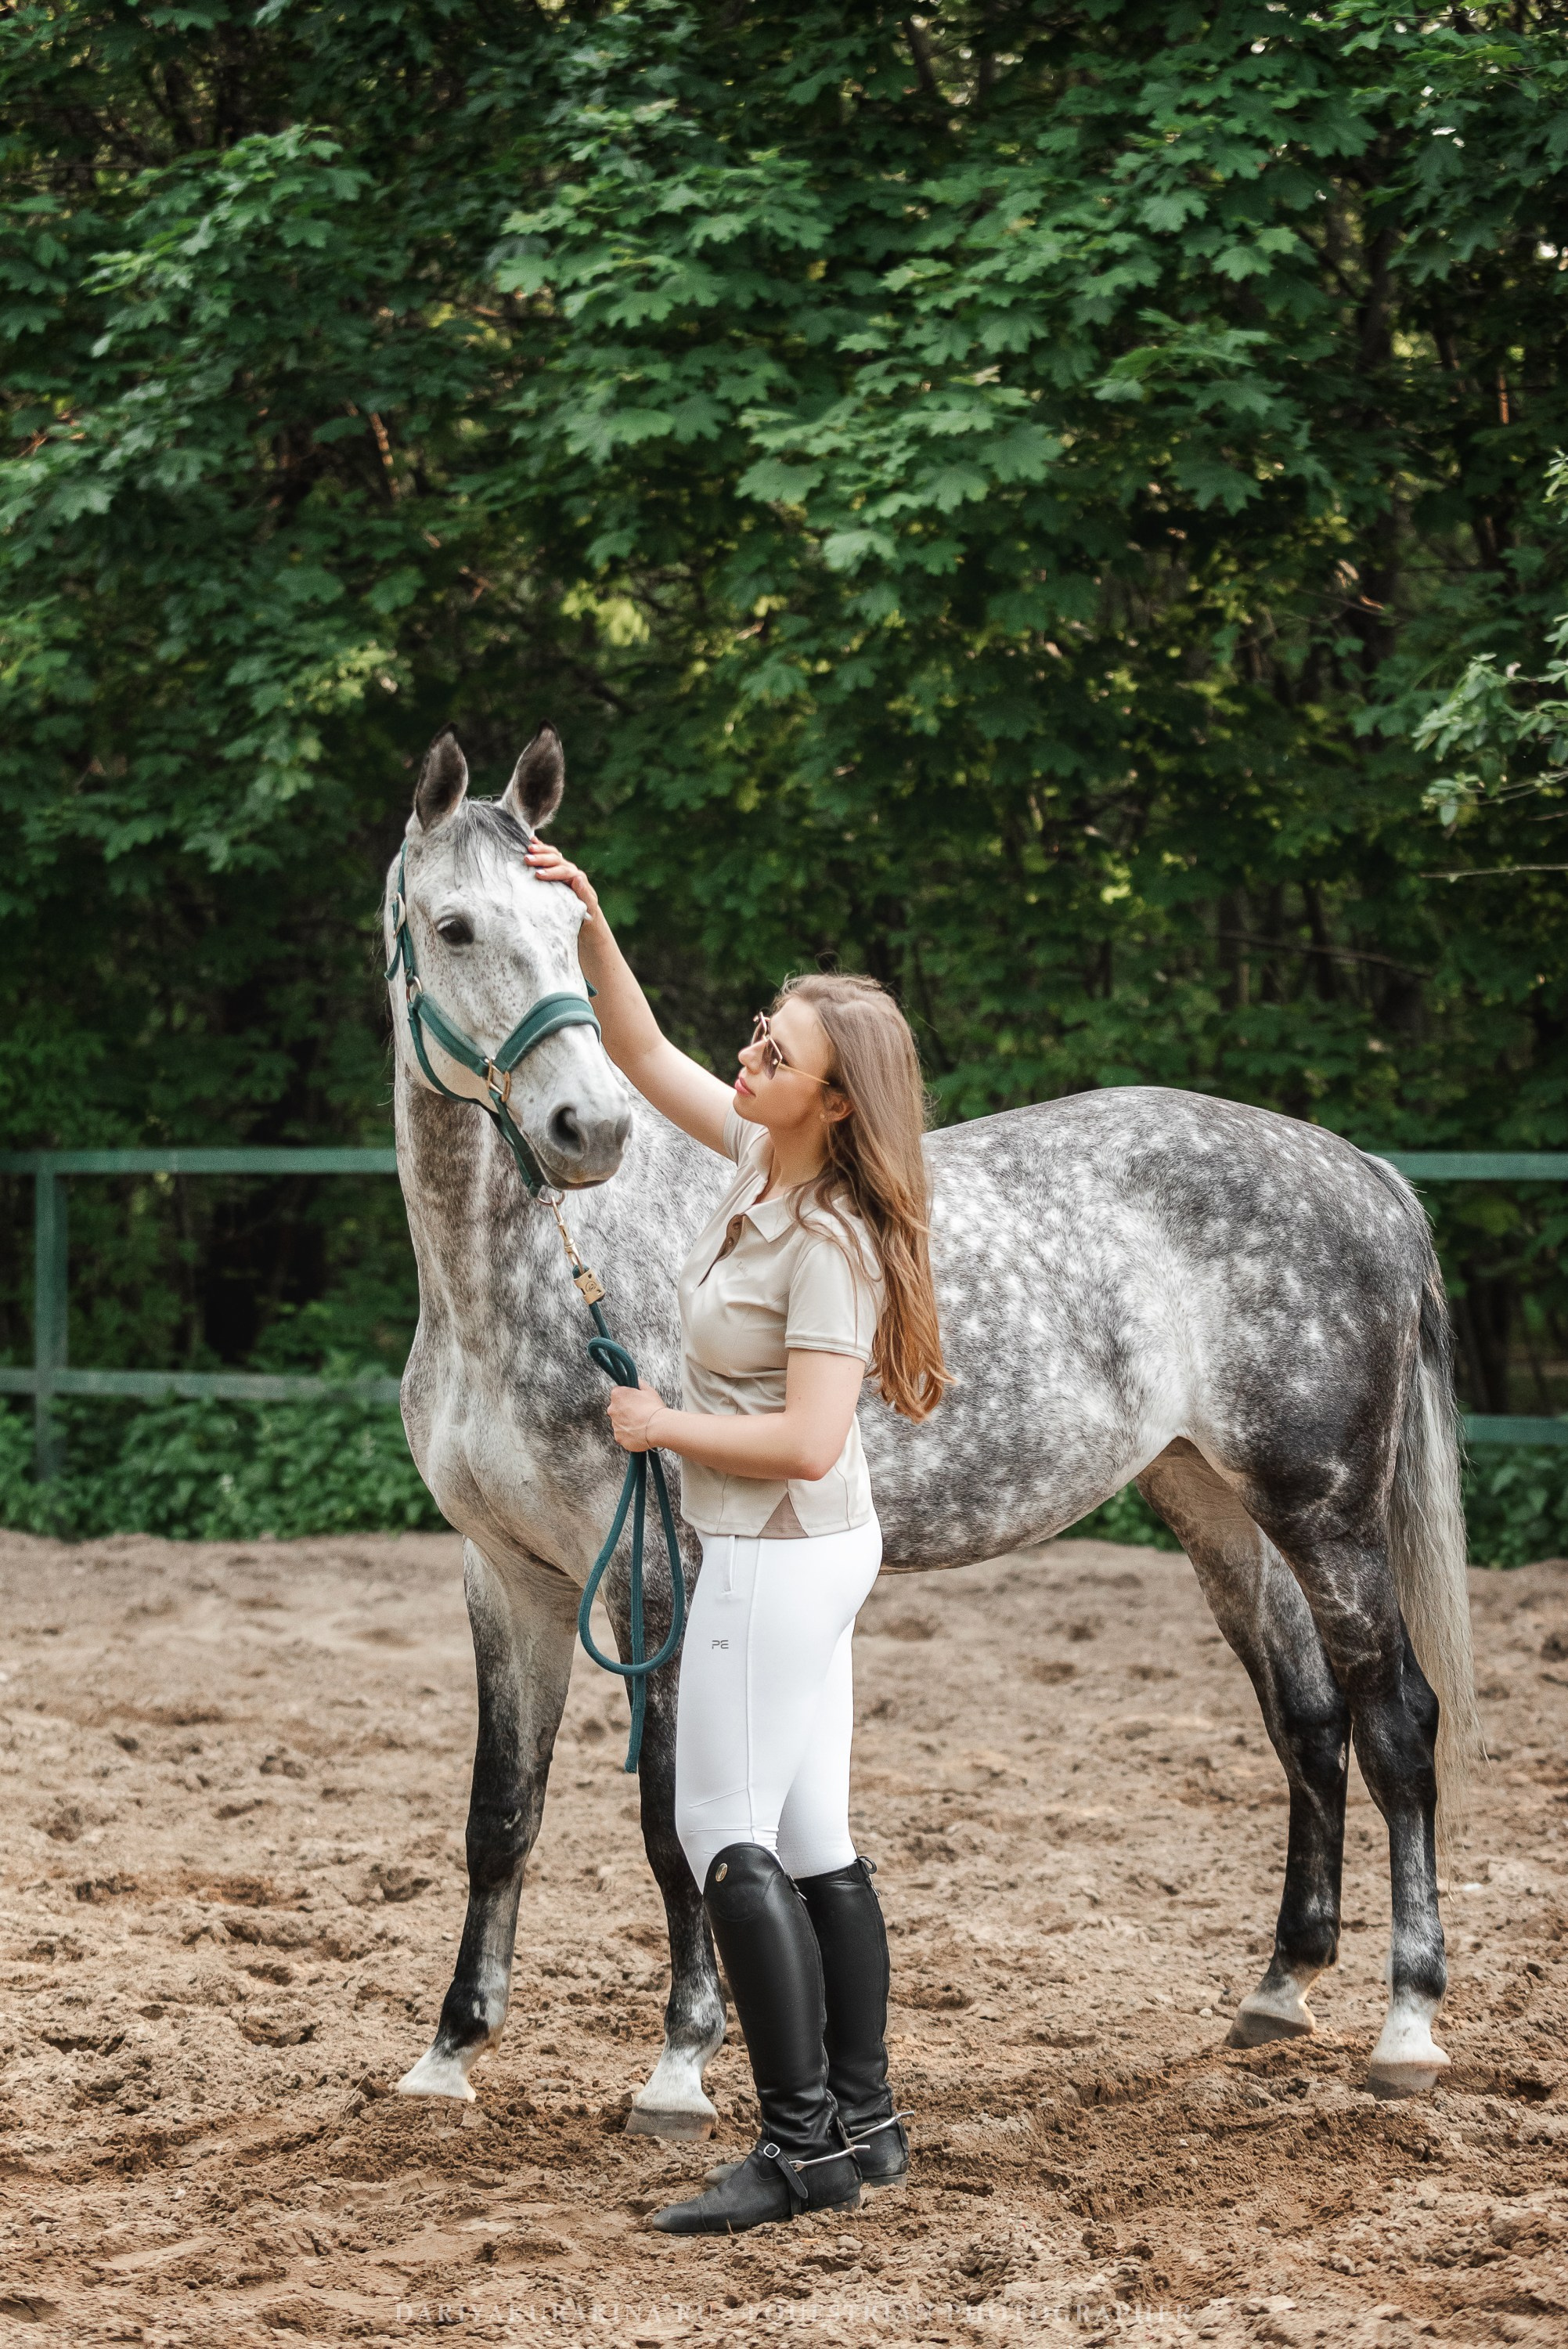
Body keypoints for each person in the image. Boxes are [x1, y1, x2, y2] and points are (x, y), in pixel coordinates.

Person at [527, 831, 950, 2236]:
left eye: (779, 1053)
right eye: (762, 1032)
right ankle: (865, 2128)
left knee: (720, 1829)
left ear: (836, 1102)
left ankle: (797, 2147)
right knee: (815, 1833)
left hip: (778, 1547)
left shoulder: (824, 1240)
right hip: (800, 1549)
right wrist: (590, 922)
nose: (750, 1055)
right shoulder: (763, 1162)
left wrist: (661, 1426)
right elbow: (643, 1053)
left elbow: (811, 1438)